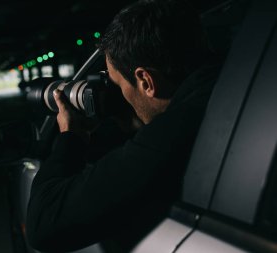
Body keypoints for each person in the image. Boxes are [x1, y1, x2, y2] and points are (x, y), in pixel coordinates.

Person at [26, 0, 223, 252]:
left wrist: (72, 137)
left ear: (146, 80)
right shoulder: (228, 85)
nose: (122, 96)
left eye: (119, 85)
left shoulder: (173, 132)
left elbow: (43, 226)